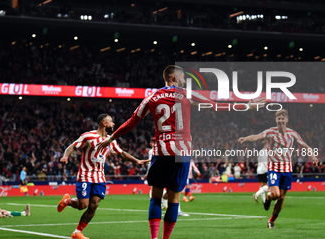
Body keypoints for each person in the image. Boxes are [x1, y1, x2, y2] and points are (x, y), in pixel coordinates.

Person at [97, 65, 265, 239]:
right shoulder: (187, 94)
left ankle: (154, 238)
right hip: (181, 152)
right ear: (174, 77)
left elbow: (132, 122)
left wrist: (111, 138)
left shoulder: (152, 97)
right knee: (174, 200)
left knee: (155, 197)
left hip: (161, 151)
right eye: (183, 76)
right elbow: (216, 106)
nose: (185, 79)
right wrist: (246, 106)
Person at [57, 114, 149, 239]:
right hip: (85, 175)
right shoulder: (88, 136)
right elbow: (72, 146)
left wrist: (137, 161)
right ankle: (67, 201)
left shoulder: (111, 140)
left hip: (100, 178)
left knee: (94, 205)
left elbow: (121, 154)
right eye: (111, 122)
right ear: (104, 124)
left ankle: (77, 232)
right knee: (82, 205)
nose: (114, 124)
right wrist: (66, 156)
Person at [238, 109, 318, 229]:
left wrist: (312, 155)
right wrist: (246, 138)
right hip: (274, 168)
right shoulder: (271, 132)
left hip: (287, 169)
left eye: (282, 118)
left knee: (281, 197)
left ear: (287, 120)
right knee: (275, 194)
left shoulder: (293, 134)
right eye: (278, 118)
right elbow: (257, 137)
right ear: (276, 120)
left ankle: (271, 220)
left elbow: (304, 145)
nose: (280, 121)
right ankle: (269, 198)